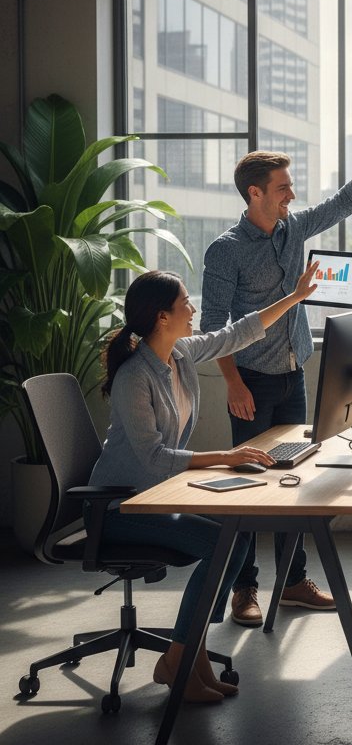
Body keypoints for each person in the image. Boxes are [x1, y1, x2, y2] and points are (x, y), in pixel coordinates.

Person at [89, 263, 319, 703]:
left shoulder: (178, 354)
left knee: (236, 530)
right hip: (119, 507)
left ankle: (186, 654)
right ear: (162, 317)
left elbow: (238, 333)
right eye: (184, 303)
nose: (192, 309)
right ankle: (183, 660)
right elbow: (154, 458)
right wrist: (225, 459)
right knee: (221, 543)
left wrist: (294, 298)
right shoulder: (134, 377)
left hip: (157, 495)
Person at [201, 128, 352, 628]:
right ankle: (243, 588)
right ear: (255, 194)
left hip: (295, 373)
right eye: (283, 187)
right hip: (250, 379)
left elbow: (346, 201)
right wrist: (232, 382)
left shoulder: (292, 229)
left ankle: (291, 582)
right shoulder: (225, 251)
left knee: (295, 481)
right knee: (246, 485)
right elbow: (213, 327)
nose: (291, 194)